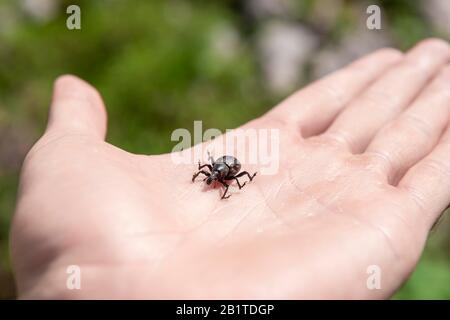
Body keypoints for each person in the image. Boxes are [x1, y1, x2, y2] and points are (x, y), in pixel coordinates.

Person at [11, 38, 450, 299]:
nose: (215, 180)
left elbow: (225, 174)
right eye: (215, 178)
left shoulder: (228, 173)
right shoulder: (216, 173)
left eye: (217, 178)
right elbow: (213, 172)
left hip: (234, 166)